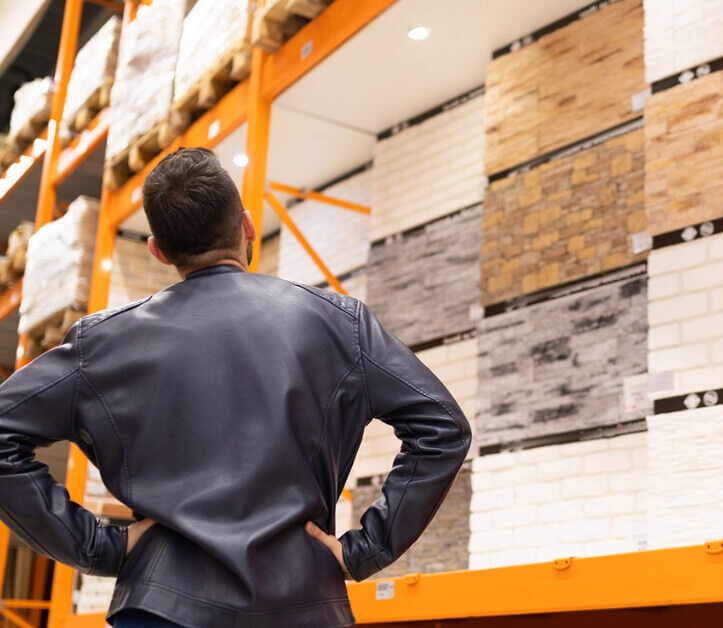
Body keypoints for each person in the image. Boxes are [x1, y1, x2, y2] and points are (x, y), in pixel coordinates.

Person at [0, 147, 471, 627]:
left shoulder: (102, 344)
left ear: (158, 251)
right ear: (247, 226)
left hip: (161, 609)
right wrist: (366, 549)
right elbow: (443, 426)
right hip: (301, 607)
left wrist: (100, 547)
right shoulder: (338, 324)